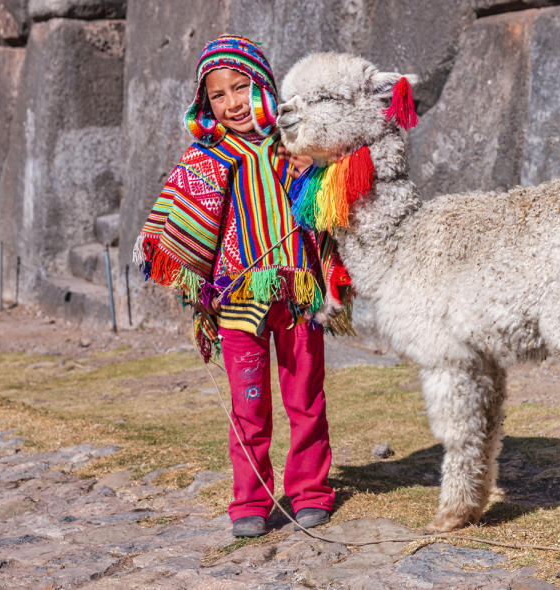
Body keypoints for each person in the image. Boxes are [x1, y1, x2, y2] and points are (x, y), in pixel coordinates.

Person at [133, 35, 352, 537]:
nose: (231, 103)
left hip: (299, 296)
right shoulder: (204, 158)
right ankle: (250, 499)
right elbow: (175, 224)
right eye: (218, 94)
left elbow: (343, 187)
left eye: (240, 87)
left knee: (306, 399)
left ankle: (310, 491)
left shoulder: (298, 145)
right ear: (204, 102)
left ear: (263, 85)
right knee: (248, 405)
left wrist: (318, 170)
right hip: (235, 303)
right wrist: (191, 277)